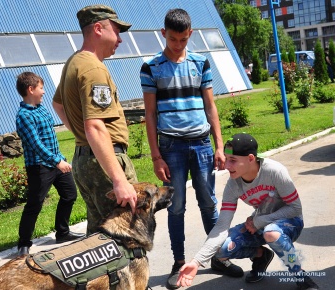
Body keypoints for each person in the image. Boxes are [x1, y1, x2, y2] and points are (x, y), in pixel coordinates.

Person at [139, 8, 240, 290]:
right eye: (173, 39)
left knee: (209, 203)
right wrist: (156, 155)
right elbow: (150, 115)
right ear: (163, 34)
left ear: (190, 35)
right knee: (176, 207)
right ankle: (178, 262)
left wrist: (219, 146)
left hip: (202, 145)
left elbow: (210, 106)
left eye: (183, 39)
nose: (178, 45)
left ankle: (219, 256)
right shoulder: (151, 67)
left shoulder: (201, 63)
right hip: (171, 147)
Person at [177, 133, 319, 290]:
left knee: (272, 233)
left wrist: (259, 221)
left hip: (290, 221)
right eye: (226, 159)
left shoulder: (275, 171)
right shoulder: (233, 185)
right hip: (259, 224)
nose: (226, 166)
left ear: (251, 158)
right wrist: (196, 261)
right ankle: (261, 255)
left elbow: (295, 208)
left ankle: (299, 274)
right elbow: (221, 227)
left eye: (233, 160)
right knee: (222, 248)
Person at [52, 5, 138, 235]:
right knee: (124, 236)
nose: (120, 39)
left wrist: (81, 135)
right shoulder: (93, 69)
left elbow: (58, 104)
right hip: (105, 159)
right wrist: (119, 180)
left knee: (100, 237)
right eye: (117, 31)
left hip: (86, 158)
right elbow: (96, 125)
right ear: (98, 28)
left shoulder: (75, 62)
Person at [15, 72, 84, 255]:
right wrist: (57, 161)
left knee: (69, 195)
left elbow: (50, 138)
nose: (44, 92)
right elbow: (35, 144)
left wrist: (59, 159)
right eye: (41, 88)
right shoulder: (23, 116)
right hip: (39, 167)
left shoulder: (41, 108)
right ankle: (24, 243)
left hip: (56, 161)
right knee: (35, 204)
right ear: (30, 89)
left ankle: (62, 232)